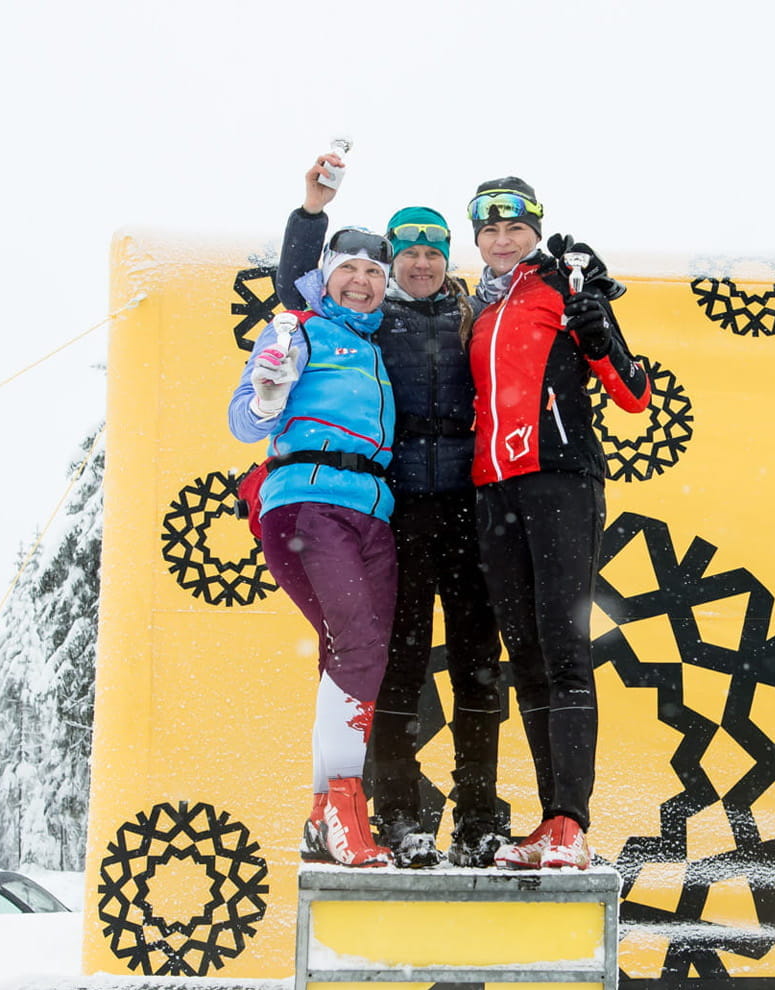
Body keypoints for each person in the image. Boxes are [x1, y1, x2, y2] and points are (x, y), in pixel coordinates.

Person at [277, 155, 509, 868]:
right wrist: (311, 215)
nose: (419, 264)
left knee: (478, 666)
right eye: (406, 252)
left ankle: (477, 818)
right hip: (401, 512)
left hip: (469, 512)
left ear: (447, 260)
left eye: (431, 252)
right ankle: (401, 814)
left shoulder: (476, 313)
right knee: (399, 666)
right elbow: (299, 291)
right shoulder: (373, 322)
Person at [464, 177, 650, 871]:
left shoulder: (566, 287)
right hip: (494, 493)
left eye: (516, 228)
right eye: (490, 230)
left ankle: (571, 822)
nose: (503, 239)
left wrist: (597, 328)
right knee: (530, 658)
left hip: (561, 480)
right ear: (476, 238)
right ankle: (549, 825)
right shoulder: (476, 308)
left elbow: (633, 393)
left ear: (535, 230)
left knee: (565, 649)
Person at [229, 226, 398, 868]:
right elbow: (244, 420)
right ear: (325, 276)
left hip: (374, 512)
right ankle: (343, 807)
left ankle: (321, 811)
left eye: (373, 274)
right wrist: (270, 393)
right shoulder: (296, 330)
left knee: (353, 653)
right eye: (349, 270)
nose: (361, 281)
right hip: (308, 500)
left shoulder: (378, 345)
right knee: (356, 645)